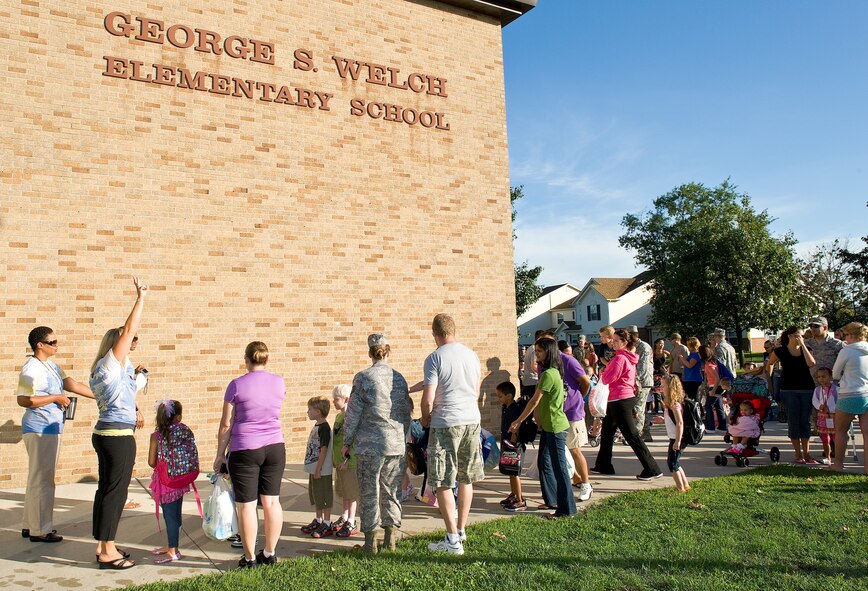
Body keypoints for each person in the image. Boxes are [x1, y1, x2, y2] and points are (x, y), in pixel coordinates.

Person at [17, 326, 94, 542]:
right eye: (52, 342)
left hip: (51, 428)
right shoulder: (31, 369)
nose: (57, 345)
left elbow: (73, 385)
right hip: (39, 428)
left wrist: (104, 396)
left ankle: (29, 525)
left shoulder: (51, 366)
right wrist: (55, 398)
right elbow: (24, 399)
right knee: (43, 480)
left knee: (38, 478)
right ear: (39, 345)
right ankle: (40, 530)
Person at [213, 341, 286, 568]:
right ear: (267, 359)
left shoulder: (236, 385)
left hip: (245, 449)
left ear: (246, 360)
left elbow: (226, 424)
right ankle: (270, 553)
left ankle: (249, 557)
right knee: (272, 502)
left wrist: (219, 455)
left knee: (246, 505)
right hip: (275, 447)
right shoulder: (279, 383)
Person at [419, 314, 484, 556]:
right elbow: (475, 391)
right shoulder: (471, 355)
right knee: (466, 477)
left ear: (435, 333)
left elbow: (428, 398)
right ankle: (461, 529)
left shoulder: (435, 357)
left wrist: (426, 419)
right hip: (472, 420)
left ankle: (452, 539)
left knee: (442, 481)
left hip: (446, 422)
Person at [341, 334, 411, 554]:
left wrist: (346, 442)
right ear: (388, 352)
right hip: (395, 444)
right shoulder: (399, 379)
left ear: (370, 353)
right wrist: (403, 438)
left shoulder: (363, 378)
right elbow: (406, 414)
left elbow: (352, 414)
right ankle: (390, 540)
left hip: (369, 446)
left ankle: (370, 544)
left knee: (370, 492)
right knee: (391, 492)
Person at [509, 337, 576, 518]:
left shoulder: (549, 374)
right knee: (544, 462)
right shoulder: (551, 372)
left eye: (539, 351)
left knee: (559, 468)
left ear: (549, 352)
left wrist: (519, 420)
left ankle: (567, 509)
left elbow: (534, 400)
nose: (536, 354)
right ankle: (552, 500)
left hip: (555, 427)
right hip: (548, 426)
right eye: (536, 350)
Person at [590, 328, 662, 481]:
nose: (613, 343)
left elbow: (608, 378)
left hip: (620, 399)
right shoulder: (627, 357)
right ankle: (603, 464)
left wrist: (604, 372)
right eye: (612, 340)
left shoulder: (619, 359)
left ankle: (652, 468)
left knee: (632, 435)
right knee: (607, 433)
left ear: (624, 342)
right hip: (620, 398)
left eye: (616, 341)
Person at [147, 400, 196, 564]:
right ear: (179, 416)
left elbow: (151, 462)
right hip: (181, 479)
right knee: (176, 514)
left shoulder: (156, 436)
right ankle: (172, 545)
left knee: (170, 517)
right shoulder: (185, 430)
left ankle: (173, 551)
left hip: (165, 482)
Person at [765, 326, 817, 464]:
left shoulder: (807, 350)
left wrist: (803, 346)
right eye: (798, 336)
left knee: (805, 421)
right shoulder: (780, 351)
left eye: (802, 336)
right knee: (793, 421)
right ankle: (798, 453)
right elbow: (770, 363)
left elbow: (811, 363)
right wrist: (770, 381)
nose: (800, 338)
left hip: (807, 389)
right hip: (788, 389)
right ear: (789, 336)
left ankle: (807, 453)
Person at [831, 322, 868, 473]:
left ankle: (838, 464)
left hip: (849, 394)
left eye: (845, 335)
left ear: (851, 335)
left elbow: (834, 373)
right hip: (867, 393)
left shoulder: (847, 351)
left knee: (840, 431)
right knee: (867, 433)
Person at [559, 340, 593, 501]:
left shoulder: (569, 362)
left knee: (574, 449)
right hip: (557, 414)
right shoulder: (545, 363)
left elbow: (586, 381)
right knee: (561, 451)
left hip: (572, 412)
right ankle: (576, 478)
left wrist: (578, 396)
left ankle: (586, 484)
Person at [301, 396, 334, 539]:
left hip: (321, 471)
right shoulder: (317, 426)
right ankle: (319, 520)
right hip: (315, 470)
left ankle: (327, 523)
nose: (307, 412)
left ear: (318, 412)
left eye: (310, 410)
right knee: (316, 496)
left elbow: (324, 450)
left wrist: (318, 469)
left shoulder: (324, 428)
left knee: (324, 496)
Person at [330, 385, 360, 538]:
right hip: (339, 462)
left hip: (349, 462)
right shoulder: (339, 416)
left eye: (336, 399)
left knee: (351, 493)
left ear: (346, 399)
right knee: (343, 492)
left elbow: (353, 440)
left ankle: (352, 521)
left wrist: (347, 459)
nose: (333, 402)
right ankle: (344, 516)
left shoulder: (350, 417)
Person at [495, 382, 525, 512]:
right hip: (507, 444)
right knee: (510, 471)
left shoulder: (515, 409)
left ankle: (520, 500)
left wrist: (512, 445)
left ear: (509, 396)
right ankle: (513, 494)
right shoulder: (505, 407)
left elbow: (515, 428)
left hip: (513, 446)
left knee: (514, 472)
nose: (499, 399)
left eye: (500, 396)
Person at [661, 375, 690, 493]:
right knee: (676, 462)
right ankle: (685, 485)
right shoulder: (671, 403)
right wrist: (662, 420)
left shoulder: (675, 404)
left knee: (672, 463)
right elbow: (673, 420)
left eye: (663, 386)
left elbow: (680, 422)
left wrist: (678, 440)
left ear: (671, 387)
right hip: (675, 437)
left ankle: (680, 488)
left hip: (677, 438)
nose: (662, 388)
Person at [628, 326, 653, 442]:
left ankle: (636, 436)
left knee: (638, 408)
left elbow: (642, 368)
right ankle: (646, 432)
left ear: (632, 335)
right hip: (637, 382)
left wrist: (635, 383)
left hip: (642, 383)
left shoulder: (643, 347)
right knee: (640, 408)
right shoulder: (632, 347)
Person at [806, 317, 843, 386]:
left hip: (833, 385)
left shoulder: (837, 344)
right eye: (811, 326)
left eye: (816, 326)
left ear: (825, 327)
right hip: (812, 384)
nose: (813, 329)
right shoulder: (807, 343)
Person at [811, 368, 837, 465]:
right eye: (819, 377)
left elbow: (839, 401)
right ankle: (827, 457)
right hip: (822, 416)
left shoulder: (836, 389)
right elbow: (815, 401)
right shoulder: (817, 390)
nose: (821, 379)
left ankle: (838, 456)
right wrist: (819, 406)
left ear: (830, 377)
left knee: (836, 437)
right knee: (825, 438)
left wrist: (832, 409)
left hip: (833, 416)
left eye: (824, 376)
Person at [678, 337, 703, 402]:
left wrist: (682, 358)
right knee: (688, 397)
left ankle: (697, 411)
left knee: (694, 398)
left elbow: (689, 365)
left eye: (688, 345)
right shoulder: (691, 355)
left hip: (694, 379)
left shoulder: (696, 355)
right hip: (688, 378)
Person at [520, 330, 544, 398]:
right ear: (540, 338)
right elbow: (534, 365)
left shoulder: (530, 348)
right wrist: (544, 373)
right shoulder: (535, 349)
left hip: (528, 381)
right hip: (533, 382)